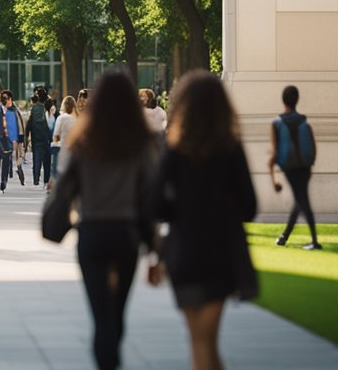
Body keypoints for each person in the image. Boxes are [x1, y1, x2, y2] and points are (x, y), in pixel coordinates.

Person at [153, 71, 258, 370]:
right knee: (207, 342)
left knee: (198, 341)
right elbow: (250, 207)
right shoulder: (230, 149)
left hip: (185, 250)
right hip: (221, 251)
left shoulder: (174, 150)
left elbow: (156, 203)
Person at [59, 71, 157, 370]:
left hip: (92, 233)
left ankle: (107, 361)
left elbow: (66, 189)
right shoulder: (141, 144)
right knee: (116, 314)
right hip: (125, 234)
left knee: (101, 316)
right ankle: (112, 356)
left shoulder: (84, 142)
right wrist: (154, 249)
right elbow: (148, 200)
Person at [269, 84, 321, 250]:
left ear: (283, 100)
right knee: (301, 199)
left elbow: (275, 153)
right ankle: (285, 237)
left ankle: (314, 241)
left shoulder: (276, 123)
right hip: (305, 167)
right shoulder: (304, 121)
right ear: (297, 100)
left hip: (289, 168)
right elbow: (312, 143)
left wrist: (274, 180)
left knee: (302, 201)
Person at [26, 88, 53, 188]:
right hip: (46, 137)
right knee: (47, 161)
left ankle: (36, 179)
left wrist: (27, 134)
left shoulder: (35, 108)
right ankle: (46, 180)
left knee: (37, 159)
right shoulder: (47, 108)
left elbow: (30, 122)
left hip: (36, 137)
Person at [50, 96, 76, 181]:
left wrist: (56, 141)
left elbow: (56, 134)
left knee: (56, 172)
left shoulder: (61, 118)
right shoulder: (76, 120)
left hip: (60, 148)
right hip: (71, 149)